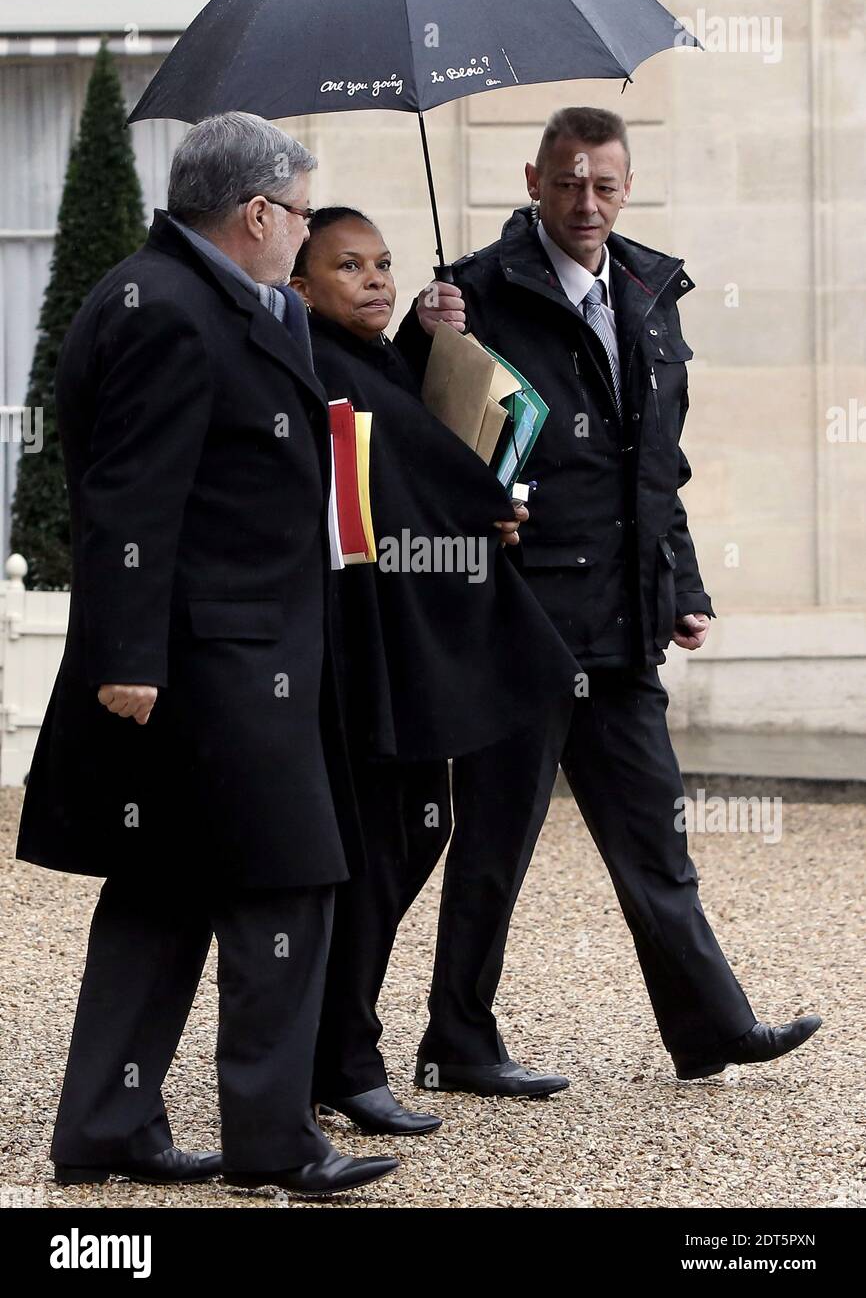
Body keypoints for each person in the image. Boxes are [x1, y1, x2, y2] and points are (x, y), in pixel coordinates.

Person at [395, 106, 822, 1088]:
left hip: (623, 625)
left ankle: (709, 1026)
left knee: (655, 835)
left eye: (603, 184)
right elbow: (422, 441)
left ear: (623, 185)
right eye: (567, 182)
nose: (584, 201)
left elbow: (654, 466)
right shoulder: (472, 293)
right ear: (533, 180)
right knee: (493, 844)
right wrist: (425, 345)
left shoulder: (647, 289)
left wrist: (683, 584)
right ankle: (455, 1042)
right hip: (517, 624)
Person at [16, 113, 398, 1196]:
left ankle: (105, 1123)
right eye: (304, 213)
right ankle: (273, 1141)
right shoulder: (168, 311)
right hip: (208, 666)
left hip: (235, 652)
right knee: (288, 882)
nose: (308, 234)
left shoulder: (219, 298)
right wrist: (127, 657)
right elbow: (131, 493)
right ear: (258, 213)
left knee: (162, 890)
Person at [289, 207, 578, 1131]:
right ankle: (340, 1055)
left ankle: (340, 1046)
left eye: (382, 263)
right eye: (347, 266)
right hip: (361, 647)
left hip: (405, 640)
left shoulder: (371, 355)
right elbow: (382, 475)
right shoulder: (315, 365)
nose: (373, 279)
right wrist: (479, 501)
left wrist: (429, 339)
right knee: (380, 846)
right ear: (299, 286)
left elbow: (415, 439)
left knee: (410, 834)